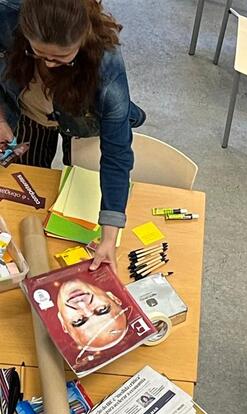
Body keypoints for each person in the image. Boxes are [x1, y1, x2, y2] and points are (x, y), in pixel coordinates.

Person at [0, 0, 145, 270]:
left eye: (62, 57)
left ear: (83, 37)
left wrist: (108, 237)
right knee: (31, 195)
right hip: (28, 113)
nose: (50, 65)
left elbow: (116, 156)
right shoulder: (7, 14)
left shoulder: (106, 67)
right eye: (39, 54)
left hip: (81, 119)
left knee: (77, 187)